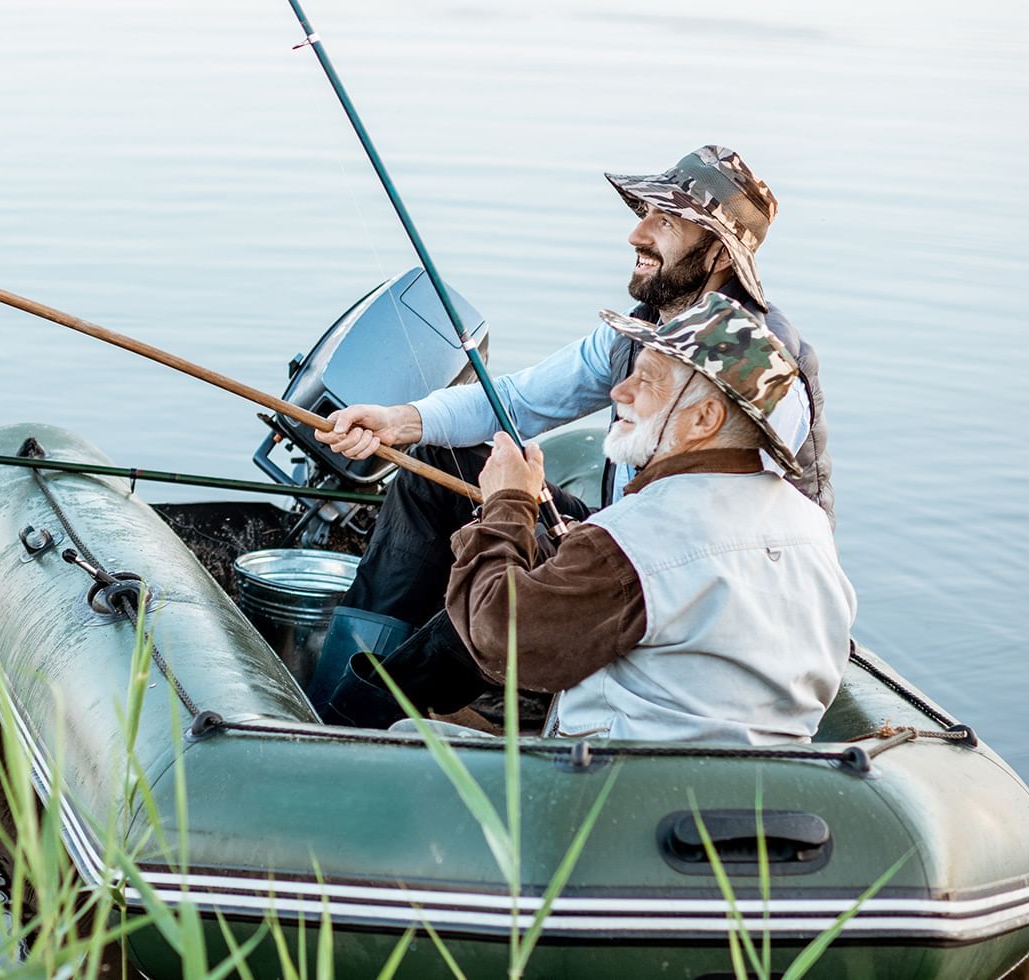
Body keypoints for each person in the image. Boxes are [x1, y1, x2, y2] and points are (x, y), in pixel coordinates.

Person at [305, 146, 833, 725]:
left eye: (665, 220)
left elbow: (749, 528)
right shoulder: (645, 327)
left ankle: (362, 721)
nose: (637, 233)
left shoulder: (761, 365)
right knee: (437, 464)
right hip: (633, 533)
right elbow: (523, 398)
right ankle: (354, 666)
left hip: (671, 561)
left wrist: (574, 534)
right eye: (643, 212)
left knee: (504, 589)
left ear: (718, 253)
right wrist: (399, 419)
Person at [339, 294, 855, 743]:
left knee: (405, 734)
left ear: (704, 420)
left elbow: (495, 638)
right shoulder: (808, 528)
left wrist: (509, 504)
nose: (619, 393)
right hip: (749, 784)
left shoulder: (636, 540)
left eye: (647, 382)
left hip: (608, 791)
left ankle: (341, 716)